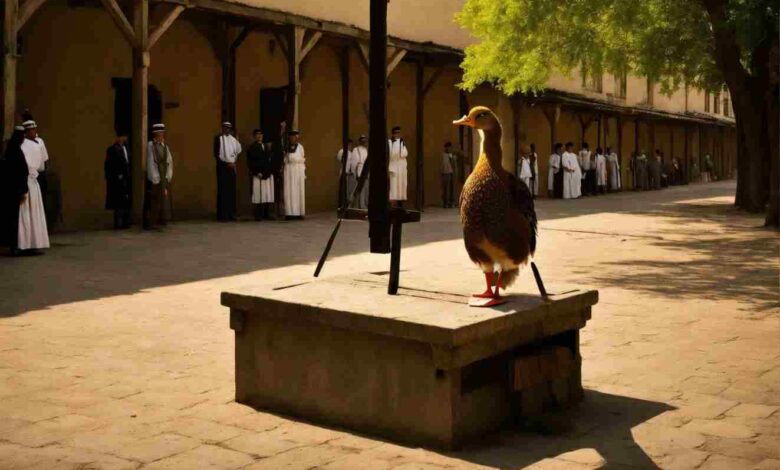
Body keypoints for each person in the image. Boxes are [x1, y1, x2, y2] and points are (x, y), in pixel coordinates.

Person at [18, 120, 50, 252]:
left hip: (33, 181)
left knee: (35, 213)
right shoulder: (23, 145)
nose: (34, 131)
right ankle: (25, 243)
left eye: (35, 129)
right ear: (26, 131)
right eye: (32, 129)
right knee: (26, 213)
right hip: (25, 180)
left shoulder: (37, 143)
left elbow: (43, 166)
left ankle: (34, 242)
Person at [1, 126, 29, 254]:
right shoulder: (16, 151)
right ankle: (13, 246)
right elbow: (21, 172)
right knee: (13, 219)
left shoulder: (10, 150)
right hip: (15, 190)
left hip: (9, 190)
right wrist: (23, 190)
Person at [144, 123, 173, 230]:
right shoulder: (151, 145)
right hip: (156, 177)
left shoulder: (165, 147)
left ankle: (162, 220)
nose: (161, 136)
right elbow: (151, 162)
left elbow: (169, 161)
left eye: (162, 134)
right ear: (156, 135)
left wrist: (168, 176)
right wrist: (154, 177)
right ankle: (152, 222)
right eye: (159, 134)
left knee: (163, 200)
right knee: (154, 200)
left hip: (163, 176)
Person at [214, 122, 242, 222]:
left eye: (229, 128)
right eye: (225, 128)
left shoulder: (233, 139)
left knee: (231, 191)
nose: (227, 130)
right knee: (223, 191)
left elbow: (238, 150)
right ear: (222, 128)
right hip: (223, 168)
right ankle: (222, 215)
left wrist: (233, 163)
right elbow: (216, 155)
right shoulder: (218, 138)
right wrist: (226, 164)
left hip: (232, 167)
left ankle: (231, 214)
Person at [104, 131, 131, 229]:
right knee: (118, 203)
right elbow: (109, 166)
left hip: (125, 179)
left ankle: (125, 222)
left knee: (125, 202)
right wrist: (116, 175)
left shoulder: (126, 148)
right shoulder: (112, 150)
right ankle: (118, 223)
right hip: (117, 180)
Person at [246, 129, 274, 221]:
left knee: (266, 194)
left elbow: (268, 160)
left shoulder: (265, 146)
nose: (259, 136)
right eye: (257, 134)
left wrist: (268, 172)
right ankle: (258, 215)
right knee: (258, 195)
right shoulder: (252, 147)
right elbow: (250, 162)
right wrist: (256, 172)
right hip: (258, 174)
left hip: (266, 174)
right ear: (254, 136)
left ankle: (267, 214)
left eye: (261, 134)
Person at [284, 129, 305, 219]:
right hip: (289, 171)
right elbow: (284, 159)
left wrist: (294, 160)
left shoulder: (300, 147)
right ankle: (289, 213)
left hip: (297, 171)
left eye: (295, 137)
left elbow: (302, 158)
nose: (293, 139)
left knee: (297, 191)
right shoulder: (286, 147)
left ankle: (298, 212)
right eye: (291, 137)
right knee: (289, 192)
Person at [388, 126, 408, 207]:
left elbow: (404, 153)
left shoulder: (401, 142)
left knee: (401, 185)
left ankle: (400, 203)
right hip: (394, 167)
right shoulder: (390, 142)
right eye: (396, 133)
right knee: (394, 187)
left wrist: (401, 145)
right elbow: (391, 154)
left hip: (401, 167)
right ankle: (393, 204)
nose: (398, 135)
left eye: (399, 133)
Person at [336, 139, 357, 206]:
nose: (350, 146)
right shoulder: (341, 151)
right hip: (343, 173)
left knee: (347, 190)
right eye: (349, 145)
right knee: (343, 189)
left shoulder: (350, 153)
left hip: (348, 173)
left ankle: (345, 203)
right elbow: (340, 160)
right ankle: (341, 204)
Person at [354, 135, 369, 209]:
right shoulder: (356, 150)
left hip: (366, 172)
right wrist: (355, 173)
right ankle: (361, 205)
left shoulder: (366, 150)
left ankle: (365, 204)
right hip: (360, 171)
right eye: (363, 140)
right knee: (361, 189)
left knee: (366, 189)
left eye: (365, 140)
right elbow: (354, 163)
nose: (364, 142)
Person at [441, 142, 456, 208]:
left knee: (451, 188)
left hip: (451, 172)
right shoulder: (442, 155)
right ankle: (445, 203)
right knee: (445, 189)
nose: (449, 149)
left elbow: (453, 164)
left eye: (450, 147)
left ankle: (451, 202)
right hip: (445, 173)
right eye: (448, 147)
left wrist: (452, 158)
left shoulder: (451, 155)